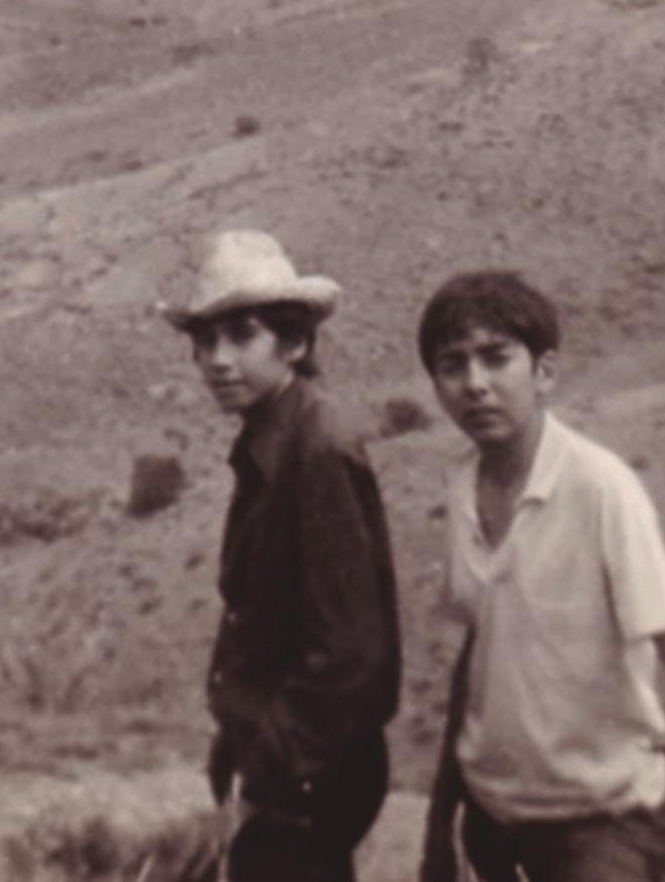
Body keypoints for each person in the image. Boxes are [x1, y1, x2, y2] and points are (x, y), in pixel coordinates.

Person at [414, 270, 665, 882]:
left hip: (600, 824)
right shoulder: (460, 485)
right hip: (492, 813)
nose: (476, 385)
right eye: (453, 365)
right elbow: (478, 650)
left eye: (496, 359)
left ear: (544, 372)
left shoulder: (600, 488)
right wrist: (446, 817)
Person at [162, 230, 402, 882]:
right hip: (283, 758)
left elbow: (350, 655)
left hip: (308, 770)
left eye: (241, 336)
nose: (217, 359)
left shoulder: (317, 450)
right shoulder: (271, 440)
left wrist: (266, 771)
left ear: (294, 342)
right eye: (205, 341)